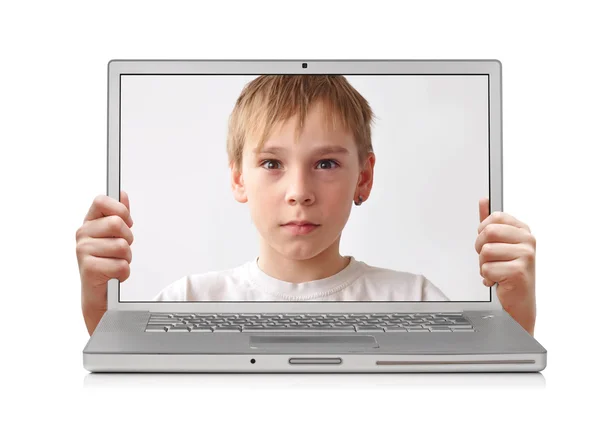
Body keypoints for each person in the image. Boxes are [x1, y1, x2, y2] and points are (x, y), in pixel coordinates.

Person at [75, 75, 537, 336]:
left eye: (327, 163)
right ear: (239, 178)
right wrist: (98, 296)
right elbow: (121, 385)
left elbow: (481, 400)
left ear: (365, 177)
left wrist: (516, 307)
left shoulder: (413, 299)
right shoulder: (190, 300)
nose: (299, 190)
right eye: (272, 162)